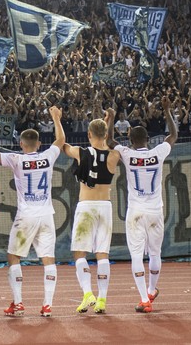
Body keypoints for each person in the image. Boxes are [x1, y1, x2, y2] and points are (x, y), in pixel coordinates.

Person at [0, 106, 65, 318]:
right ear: (39, 144)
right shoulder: (48, 157)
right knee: (48, 259)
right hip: (47, 215)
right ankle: (47, 305)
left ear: (21, 144)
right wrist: (56, 118)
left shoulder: (17, 159)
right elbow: (60, 141)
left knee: (13, 257)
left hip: (26, 216)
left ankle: (19, 303)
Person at [110, 97, 176, 313]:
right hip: (156, 210)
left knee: (137, 256)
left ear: (130, 138)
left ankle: (144, 299)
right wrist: (167, 111)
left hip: (136, 211)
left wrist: (110, 118)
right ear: (148, 139)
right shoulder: (158, 153)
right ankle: (151, 290)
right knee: (155, 254)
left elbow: (110, 140)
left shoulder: (127, 154)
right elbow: (173, 135)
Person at [61, 108, 121, 314]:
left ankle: (88, 294)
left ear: (88, 134)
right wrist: (110, 121)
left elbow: (62, 145)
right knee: (102, 253)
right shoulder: (114, 156)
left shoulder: (81, 152)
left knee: (80, 252)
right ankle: (102, 300)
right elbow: (110, 142)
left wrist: (57, 120)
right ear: (105, 134)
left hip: (86, 206)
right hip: (105, 205)